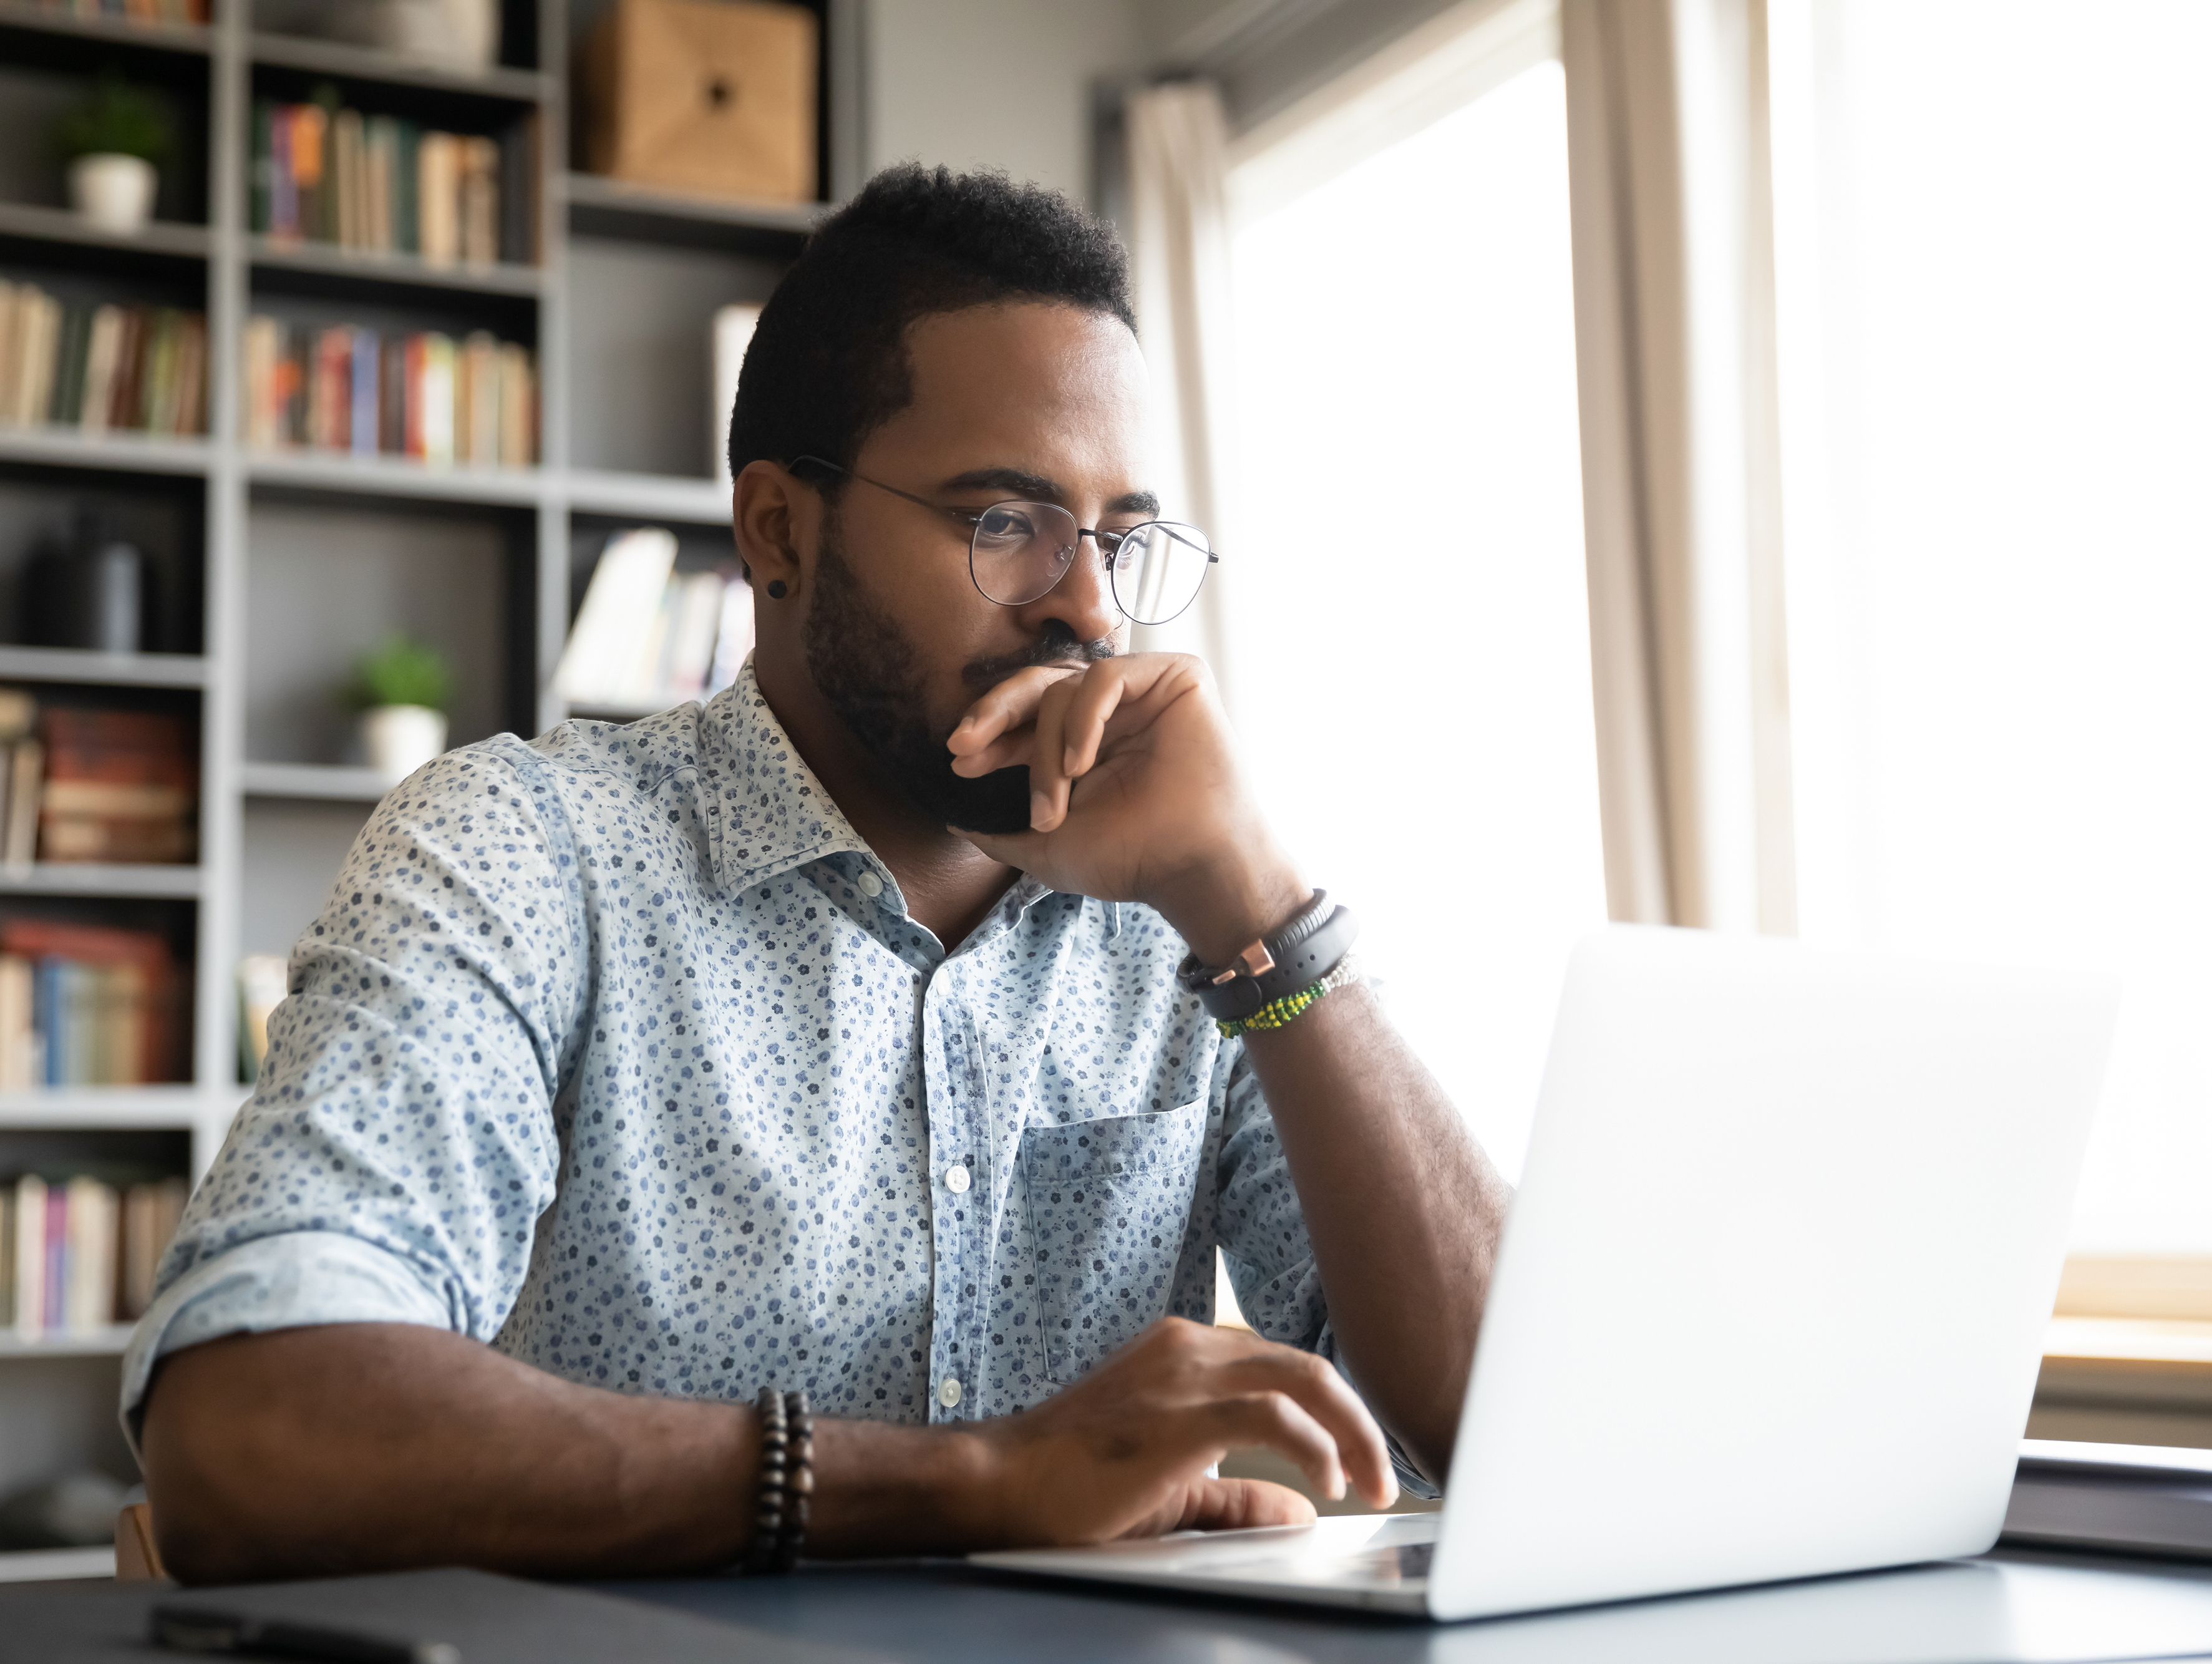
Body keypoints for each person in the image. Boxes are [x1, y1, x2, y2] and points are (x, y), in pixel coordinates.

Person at [131, 165, 1511, 1584]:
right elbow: (254, 1425)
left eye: (1118, 537)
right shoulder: (524, 848)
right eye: (1005, 522)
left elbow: (1518, 1432)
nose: (1091, 606)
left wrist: (1265, 916)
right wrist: (976, 1480)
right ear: (779, 528)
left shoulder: (1190, 915)